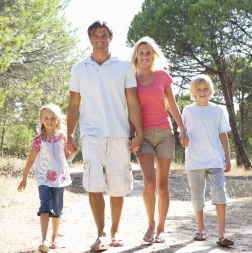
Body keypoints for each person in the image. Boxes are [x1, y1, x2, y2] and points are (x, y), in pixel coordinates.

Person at [66, 20, 143, 251]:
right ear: (90, 38)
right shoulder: (79, 68)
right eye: (95, 35)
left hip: (119, 134)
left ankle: (115, 231)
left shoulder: (124, 67)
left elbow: (132, 100)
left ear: (111, 37)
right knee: (94, 185)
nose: (100, 39)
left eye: (104, 35)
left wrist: (138, 131)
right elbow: (73, 103)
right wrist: (69, 133)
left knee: (118, 186)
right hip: (91, 134)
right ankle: (99, 234)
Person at [130, 36, 187, 244]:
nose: (144, 56)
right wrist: (132, 134)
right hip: (142, 135)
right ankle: (151, 223)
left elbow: (172, 104)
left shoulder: (162, 76)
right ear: (136, 55)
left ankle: (161, 228)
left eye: (148, 53)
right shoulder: (131, 78)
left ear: (153, 55)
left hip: (164, 133)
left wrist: (183, 129)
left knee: (162, 186)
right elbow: (129, 110)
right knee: (149, 182)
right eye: (141, 52)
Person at [181, 74, 234, 247]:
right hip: (194, 161)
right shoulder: (188, 110)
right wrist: (183, 139)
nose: (202, 92)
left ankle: (221, 234)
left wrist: (227, 157)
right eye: (198, 89)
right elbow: (182, 133)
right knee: (197, 196)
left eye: (205, 89)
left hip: (215, 161)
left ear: (210, 91)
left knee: (220, 192)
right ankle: (201, 228)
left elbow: (223, 135)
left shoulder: (217, 111)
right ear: (193, 92)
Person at [17, 103, 75, 253]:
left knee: (56, 210)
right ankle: (43, 240)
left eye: (52, 118)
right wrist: (24, 178)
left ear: (57, 120)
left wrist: (74, 151)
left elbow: (68, 158)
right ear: (41, 120)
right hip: (44, 178)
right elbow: (30, 160)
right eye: (46, 118)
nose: (49, 120)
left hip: (59, 179)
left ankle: (54, 239)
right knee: (44, 208)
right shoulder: (38, 140)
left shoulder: (62, 137)